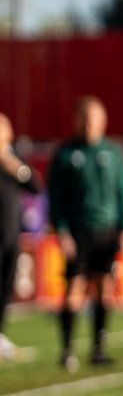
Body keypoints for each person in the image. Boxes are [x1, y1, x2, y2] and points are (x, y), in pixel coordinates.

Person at [46, 96, 123, 371]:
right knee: (73, 287)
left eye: (94, 118)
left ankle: (98, 348)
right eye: (84, 118)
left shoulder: (115, 154)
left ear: (103, 121)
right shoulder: (65, 155)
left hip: (107, 230)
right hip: (78, 230)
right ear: (76, 120)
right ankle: (68, 349)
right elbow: (56, 197)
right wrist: (61, 230)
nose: (89, 124)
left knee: (103, 288)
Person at [1, 113, 44, 361]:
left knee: (6, 287)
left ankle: (0, 334)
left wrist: (16, 169)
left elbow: (36, 186)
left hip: (9, 234)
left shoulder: (13, 159)